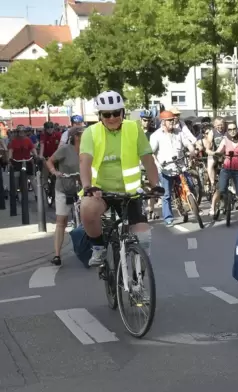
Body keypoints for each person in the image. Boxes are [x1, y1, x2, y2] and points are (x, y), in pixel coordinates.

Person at [79, 90, 162, 267]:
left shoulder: (134, 128)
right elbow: (84, 161)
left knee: (143, 236)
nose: (112, 118)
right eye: (107, 114)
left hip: (130, 193)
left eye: (116, 113)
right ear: (100, 115)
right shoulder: (91, 133)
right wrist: (87, 186)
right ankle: (98, 247)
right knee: (86, 209)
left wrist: (155, 186)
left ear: (123, 112)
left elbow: (148, 159)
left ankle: (139, 275)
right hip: (101, 192)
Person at [150, 110, 196, 226]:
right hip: (165, 169)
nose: (173, 122)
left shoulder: (179, 132)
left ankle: (190, 203)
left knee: (191, 185)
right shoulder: (156, 136)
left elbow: (187, 143)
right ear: (163, 122)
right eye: (170, 120)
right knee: (167, 195)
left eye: (173, 120)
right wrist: (157, 163)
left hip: (180, 166)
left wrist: (192, 150)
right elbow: (151, 152)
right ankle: (168, 218)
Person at [46, 127, 83, 266]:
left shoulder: (87, 150)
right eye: (82, 134)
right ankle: (57, 255)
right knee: (61, 220)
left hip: (80, 188)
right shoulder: (65, 149)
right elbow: (49, 161)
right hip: (64, 187)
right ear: (76, 137)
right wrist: (54, 172)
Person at [212, 122, 238, 221]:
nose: (232, 131)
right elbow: (219, 150)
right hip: (226, 167)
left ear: (237, 129)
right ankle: (214, 207)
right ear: (227, 131)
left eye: (234, 129)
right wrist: (217, 155)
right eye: (230, 129)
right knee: (221, 188)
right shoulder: (225, 140)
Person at [205, 117, 226, 192]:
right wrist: (208, 149)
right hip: (215, 154)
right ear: (214, 125)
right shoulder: (212, 132)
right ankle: (213, 183)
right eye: (218, 125)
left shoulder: (227, 131)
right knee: (210, 163)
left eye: (221, 124)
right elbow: (209, 142)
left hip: (225, 154)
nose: (220, 126)